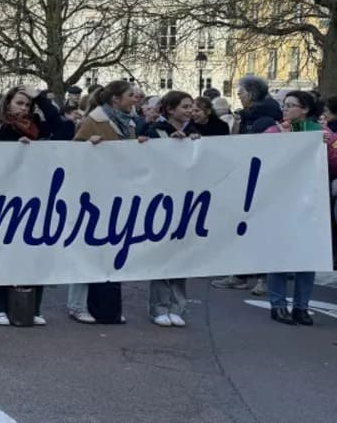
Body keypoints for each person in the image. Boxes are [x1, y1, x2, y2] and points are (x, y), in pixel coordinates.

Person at [67, 80, 145, 324]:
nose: (136, 99)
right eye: (131, 95)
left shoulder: (129, 122)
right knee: (87, 249)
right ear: (115, 100)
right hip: (93, 194)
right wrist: (89, 147)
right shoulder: (94, 121)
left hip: (118, 193)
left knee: (110, 249)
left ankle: (106, 306)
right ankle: (77, 304)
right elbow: (74, 154)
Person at [0, 86, 49, 326]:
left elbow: (61, 126)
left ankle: (32, 305)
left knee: (34, 250)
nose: (24, 108)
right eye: (19, 103)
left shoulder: (38, 127)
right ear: (7, 104)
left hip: (35, 194)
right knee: (6, 250)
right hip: (5, 196)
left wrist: (40, 98)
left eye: (27, 105)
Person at [262, 90, 326, 325]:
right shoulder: (273, 131)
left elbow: (334, 158)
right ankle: (278, 304)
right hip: (281, 200)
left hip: (311, 201)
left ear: (305, 109)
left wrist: (328, 146)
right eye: (284, 105)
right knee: (280, 252)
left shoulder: (320, 132)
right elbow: (260, 157)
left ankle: (302, 306)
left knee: (307, 255)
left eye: (290, 105)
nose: (285, 109)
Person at [213, 75, 282, 293]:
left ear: (251, 94)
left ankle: (262, 278)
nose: (239, 97)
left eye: (240, 93)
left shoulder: (264, 120)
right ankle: (242, 273)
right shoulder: (250, 117)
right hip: (249, 179)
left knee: (258, 228)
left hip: (259, 181)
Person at [147, 91, 200, 328]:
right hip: (160, 199)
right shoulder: (153, 130)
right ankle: (159, 306)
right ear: (170, 109)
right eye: (185, 106)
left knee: (181, 254)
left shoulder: (194, 133)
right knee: (161, 253)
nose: (190, 110)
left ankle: (177, 306)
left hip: (187, 199)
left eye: (192, 106)